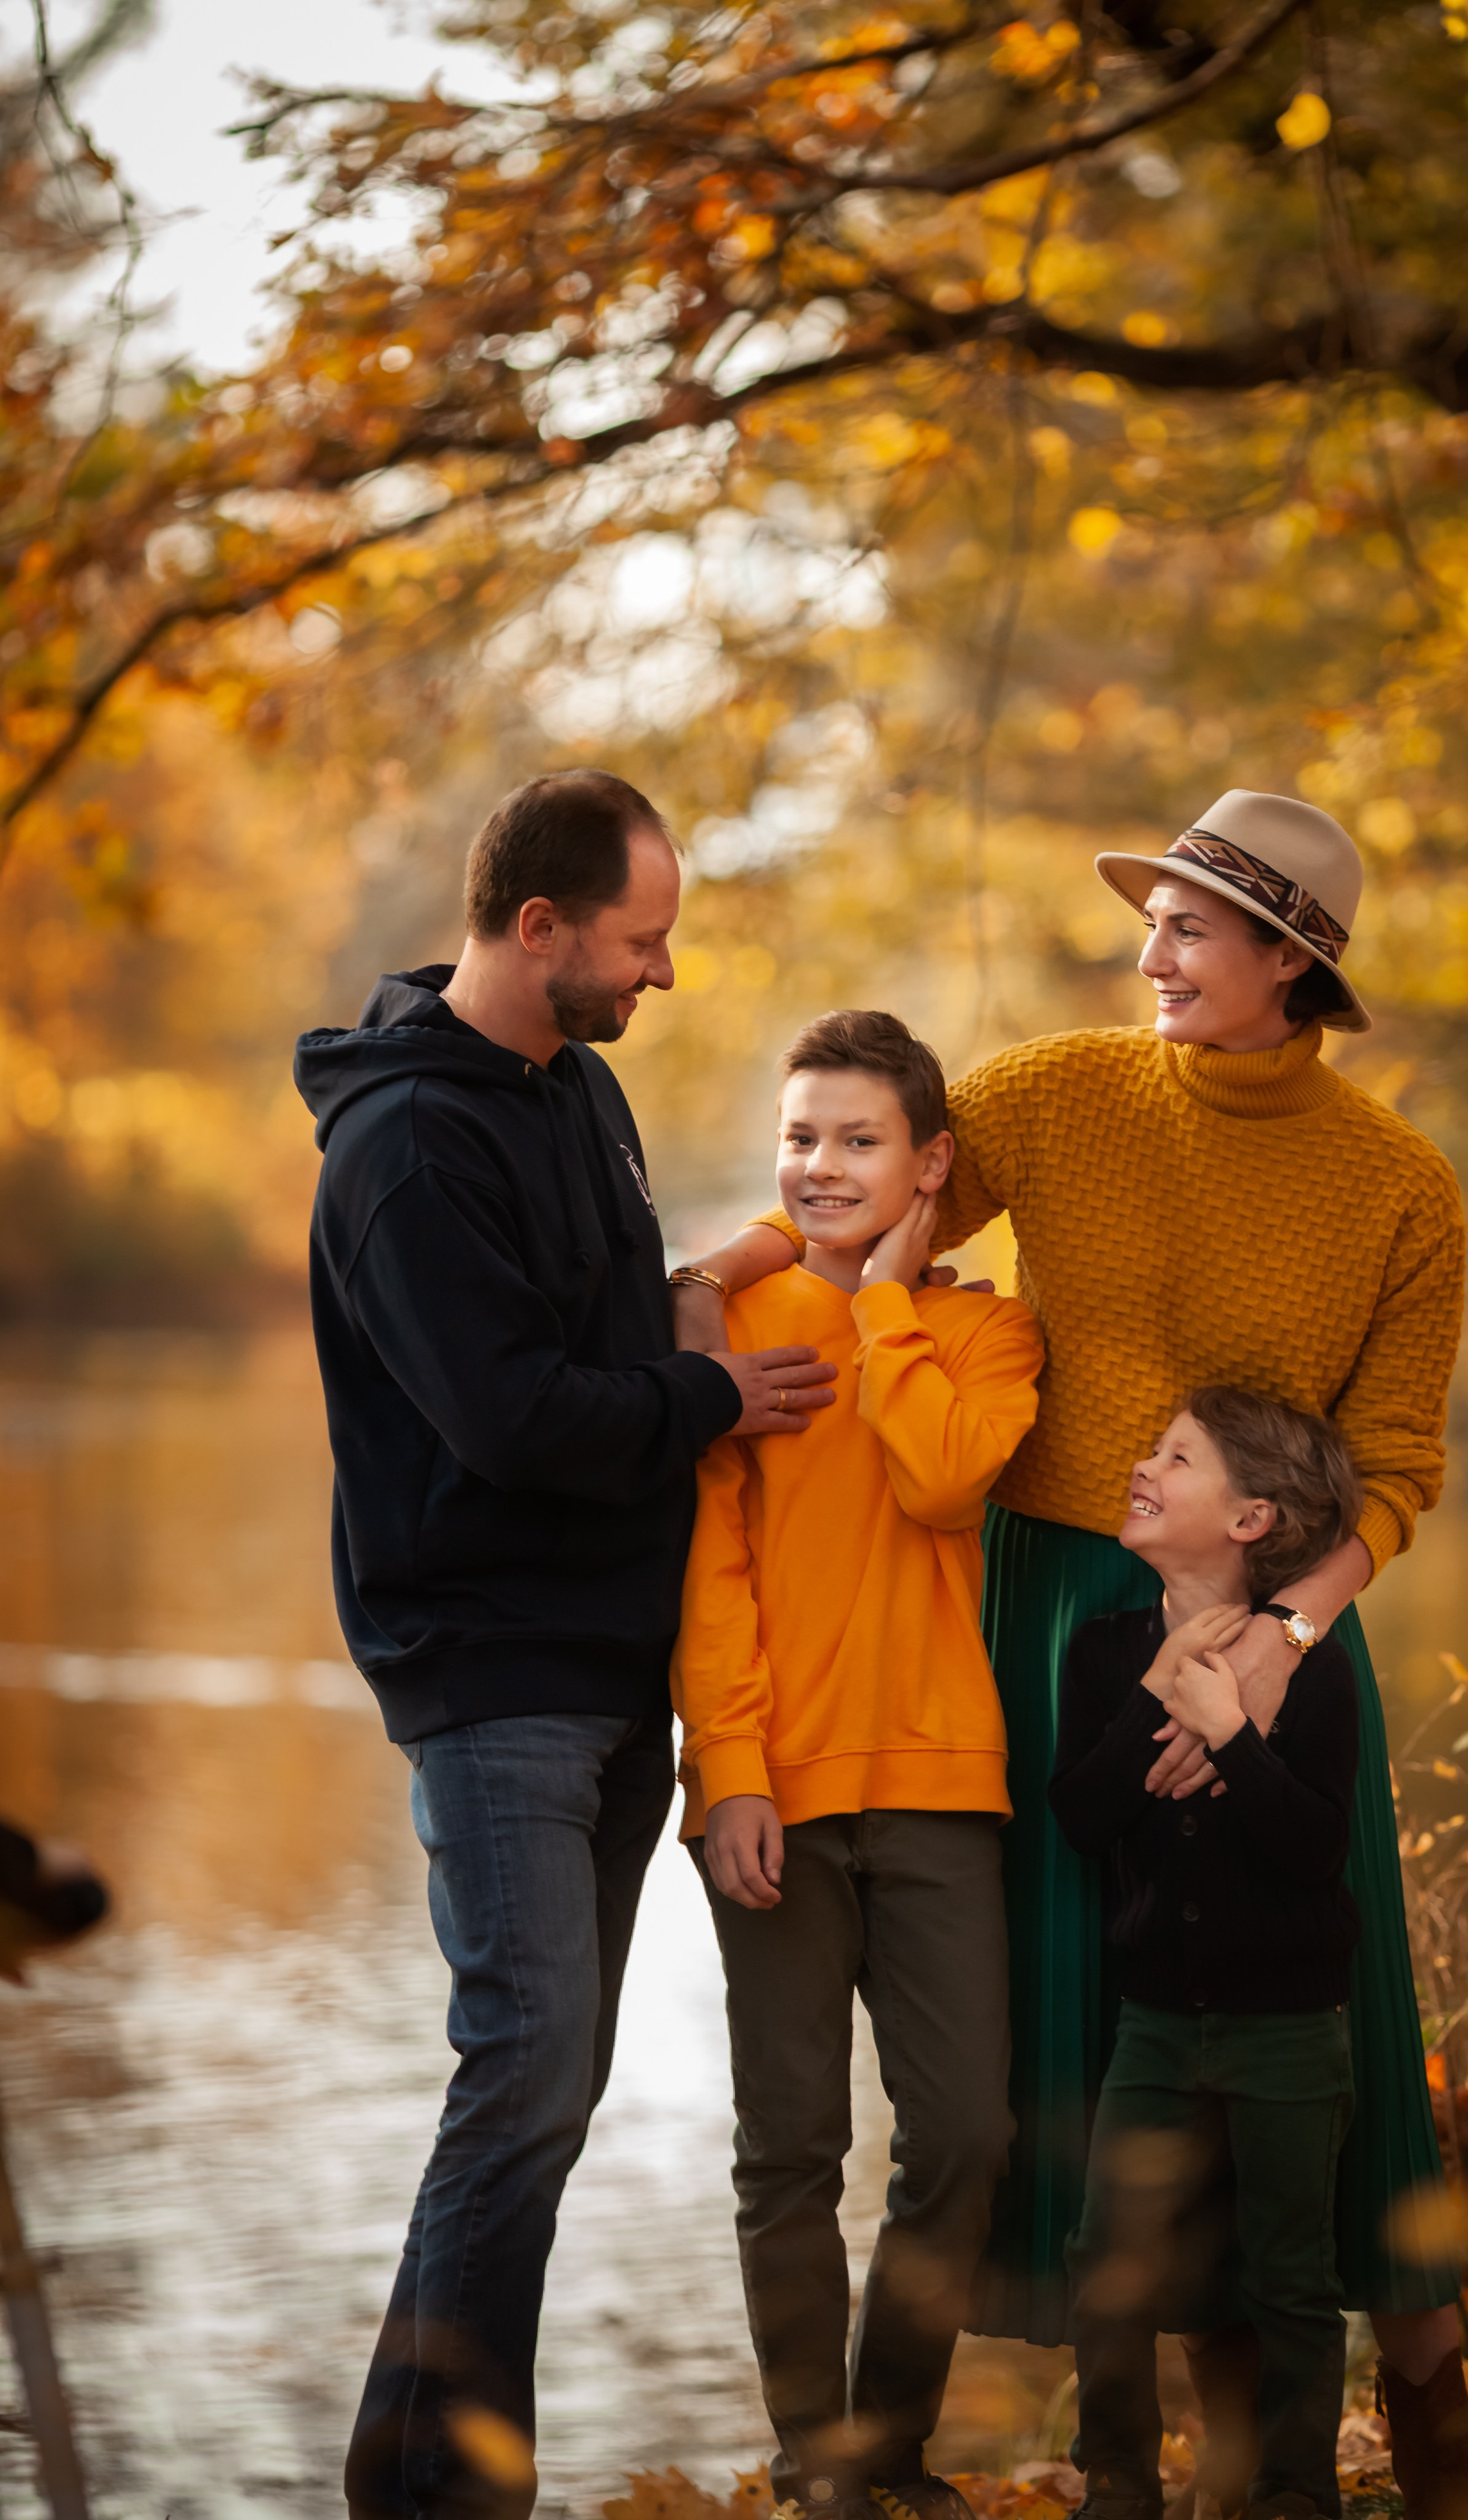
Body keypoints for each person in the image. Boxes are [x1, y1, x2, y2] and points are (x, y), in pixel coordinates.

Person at [672, 791, 1468, 2520]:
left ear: (1292, 962)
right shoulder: (1054, 1092)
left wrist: (1280, 1636)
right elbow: (867, 1188)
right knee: (1091, 2050)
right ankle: (1116, 2470)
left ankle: (1412, 2444)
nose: (1153, 953)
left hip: (1281, 1643)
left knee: (1310, 2029)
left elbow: (1398, 1473)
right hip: (1043, 1625)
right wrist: (710, 1279)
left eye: (1193, 928)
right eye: (1157, 919)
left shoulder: (1405, 1190)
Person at [293, 770, 840, 2520]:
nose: (661, 971)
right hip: (495, 1676)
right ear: (540, 931)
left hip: (614, 1671)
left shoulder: (578, 1092)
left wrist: (687, 1303)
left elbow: (601, 1335)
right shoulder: (403, 1149)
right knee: (524, 2067)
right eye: (642, 937)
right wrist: (707, 1391)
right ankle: (438, 2492)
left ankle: (435, 2476)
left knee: (555, 2082)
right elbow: (515, 1416)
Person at [671, 1010, 1044, 2520]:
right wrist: (729, 1771)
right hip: (771, 1793)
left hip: (946, 1788)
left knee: (963, 2134)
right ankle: (817, 2471)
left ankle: (888, 2445)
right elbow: (713, 1568)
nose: (820, 1166)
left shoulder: (987, 1334)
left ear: (928, 1162)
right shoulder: (729, 1340)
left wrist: (884, 1310)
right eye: (799, 1138)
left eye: (857, 1140)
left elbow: (949, 1483)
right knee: (790, 2150)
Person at [1050, 1389, 1364, 2520]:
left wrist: (1230, 1733)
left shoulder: (1310, 1667)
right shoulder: (1104, 1655)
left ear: (1250, 1519)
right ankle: (1121, 2488)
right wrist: (1151, 1702)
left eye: (1176, 1458)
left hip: (1291, 2025)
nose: (1143, 1466)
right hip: (1156, 2022)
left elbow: (1314, 1850)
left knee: (1291, 2277)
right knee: (1108, 2261)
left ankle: (1292, 2492)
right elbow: (1082, 1818)